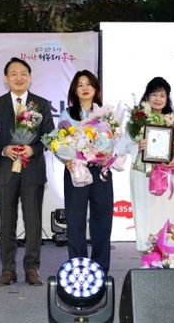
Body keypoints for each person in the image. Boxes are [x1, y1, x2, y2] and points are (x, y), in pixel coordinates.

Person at [0, 57, 54, 286]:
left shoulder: (41, 104)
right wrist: (3, 149)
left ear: (30, 77)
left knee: (33, 222)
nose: (19, 77)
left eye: (23, 73)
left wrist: (33, 149)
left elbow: (49, 136)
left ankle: (32, 268)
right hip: (6, 170)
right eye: (13, 73)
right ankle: (8, 269)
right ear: (6, 78)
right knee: (7, 222)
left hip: (32, 170)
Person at [58, 70, 114, 273]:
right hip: (76, 171)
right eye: (80, 84)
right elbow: (60, 142)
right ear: (74, 90)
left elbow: (114, 140)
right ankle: (78, 267)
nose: (84, 88)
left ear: (96, 88)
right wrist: (67, 159)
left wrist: (108, 154)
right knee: (75, 221)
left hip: (100, 170)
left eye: (88, 83)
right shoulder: (67, 115)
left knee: (102, 220)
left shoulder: (106, 114)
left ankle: (100, 268)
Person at [121, 77, 174, 252]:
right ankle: (147, 253)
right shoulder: (136, 120)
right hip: (142, 173)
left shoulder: (172, 121)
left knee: (167, 211)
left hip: (165, 175)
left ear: (167, 98)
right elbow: (123, 146)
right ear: (146, 97)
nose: (158, 99)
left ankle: (168, 253)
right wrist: (138, 146)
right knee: (144, 211)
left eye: (162, 95)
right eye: (154, 94)